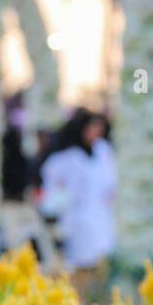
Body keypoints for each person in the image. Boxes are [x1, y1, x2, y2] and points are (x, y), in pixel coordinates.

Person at [39, 108, 115, 288]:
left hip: (99, 218)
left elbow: (109, 185)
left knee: (95, 270)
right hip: (74, 221)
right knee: (72, 270)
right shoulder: (65, 158)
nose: (96, 132)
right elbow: (54, 192)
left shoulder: (103, 152)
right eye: (92, 127)